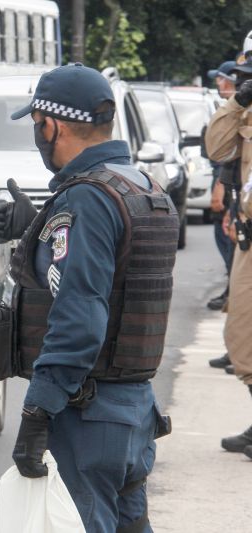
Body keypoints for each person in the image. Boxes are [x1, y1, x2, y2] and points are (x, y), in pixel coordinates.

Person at [0, 63, 177, 532]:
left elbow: (81, 313)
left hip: (86, 414)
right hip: (132, 411)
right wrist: (38, 232)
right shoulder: (144, 188)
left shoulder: (87, 199)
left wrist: (38, 409)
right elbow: (108, 283)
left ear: (50, 125)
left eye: (36, 125)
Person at [205, 47, 252, 457]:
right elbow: (218, 150)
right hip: (249, 236)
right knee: (243, 339)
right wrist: (238, 103)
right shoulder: (246, 112)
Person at [205, 61, 238, 314]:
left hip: (229, 183)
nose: (218, 83)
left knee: (229, 243)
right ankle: (231, 291)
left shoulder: (235, 107)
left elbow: (227, 154)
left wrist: (220, 188)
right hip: (229, 182)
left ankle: (232, 292)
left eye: (221, 78)